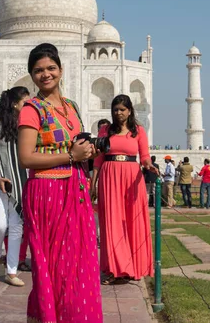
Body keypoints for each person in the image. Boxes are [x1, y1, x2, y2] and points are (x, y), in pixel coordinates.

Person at [18, 43, 102, 322]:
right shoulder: (32, 108)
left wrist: (85, 153)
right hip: (48, 192)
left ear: (61, 70)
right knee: (53, 265)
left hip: (75, 190)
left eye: (51, 68)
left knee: (80, 263)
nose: (46, 74)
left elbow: (75, 146)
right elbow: (26, 158)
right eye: (38, 70)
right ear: (31, 75)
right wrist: (70, 154)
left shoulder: (71, 107)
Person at [93, 94, 155, 284]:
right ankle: (115, 269)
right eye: (115, 109)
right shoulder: (105, 130)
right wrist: (92, 184)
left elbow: (144, 155)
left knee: (131, 221)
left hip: (131, 177)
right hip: (109, 176)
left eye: (122, 109)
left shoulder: (138, 131)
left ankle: (133, 266)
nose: (118, 113)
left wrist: (148, 165)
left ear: (129, 111)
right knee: (112, 223)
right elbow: (98, 159)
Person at [0, 86, 31, 287]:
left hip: (20, 182)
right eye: (25, 103)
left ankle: (11, 271)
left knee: (17, 227)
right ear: (14, 103)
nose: (29, 106)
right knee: (0, 224)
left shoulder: (26, 125)